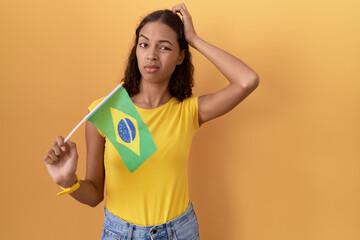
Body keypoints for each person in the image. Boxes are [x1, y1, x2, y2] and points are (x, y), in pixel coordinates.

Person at [44, 3, 259, 240]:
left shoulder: (188, 112)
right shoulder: (105, 112)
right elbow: (94, 196)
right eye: (144, 44)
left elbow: (247, 81)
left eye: (164, 47)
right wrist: (68, 181)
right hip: (120, 234)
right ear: (136, 50)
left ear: (180, 56)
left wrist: (193, 38)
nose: (151, 55)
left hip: (179, 232)